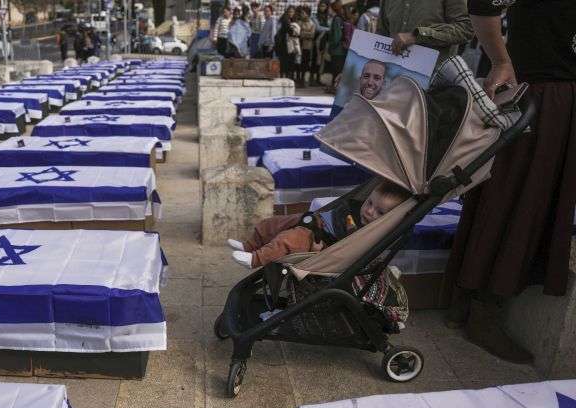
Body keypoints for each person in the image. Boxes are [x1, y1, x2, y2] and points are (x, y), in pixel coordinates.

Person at [442, 0, 576, 363]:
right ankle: (484, 311)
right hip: (542, 93)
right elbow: (484, 3)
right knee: (523, 201)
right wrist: (501, 59)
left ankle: (463, 301)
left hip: (547, 90)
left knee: (502, 194)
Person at [228, 179, 411, 268]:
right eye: (369, 203)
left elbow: (344, 252)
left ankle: (256, 259)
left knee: (288, 240)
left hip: (320, 240)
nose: (370, 211)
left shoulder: (367, 233)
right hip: (315, 221)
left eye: (380, 212)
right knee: (273, 223)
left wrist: (319, 252)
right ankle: (249, 246)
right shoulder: (360, 209)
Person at [377, 0, 473, 64]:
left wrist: (416, 36)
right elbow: (382, 32)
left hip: (434, 84)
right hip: (391, 79)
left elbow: (466, 28)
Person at [326, 1, 346, 92]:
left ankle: (335, 88)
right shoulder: (342, 18)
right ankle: (334, 87)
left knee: (336, 70)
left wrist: (331, 46)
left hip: (337, 50)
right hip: (341, 49)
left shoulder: (337, 19)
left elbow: (337, 36)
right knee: (337, 70)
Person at [310, 1, 331, 86]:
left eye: (324, 6)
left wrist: (327, 28)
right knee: (314, 60)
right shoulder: (314, 16)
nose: (322, 8)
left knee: (321, 61)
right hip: (316, 41)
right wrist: (328, 29)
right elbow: (317, 28)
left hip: (324, 42)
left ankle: (318, 79)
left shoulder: (327, 17)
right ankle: (312, 79)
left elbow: (329, 26)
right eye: (321, 6)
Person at [297, 8, 316, 88]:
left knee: (305, 63)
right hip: (299, 46)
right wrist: (306, 33)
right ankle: (298, 78)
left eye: (303, 13)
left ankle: (303, 79)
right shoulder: (299, 23)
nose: (302, 15)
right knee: (298, 63)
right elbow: (298, 33)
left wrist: (303, 33)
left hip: (307, 46)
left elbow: (312, 35)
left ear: (307, 14)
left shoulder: (312, 24)